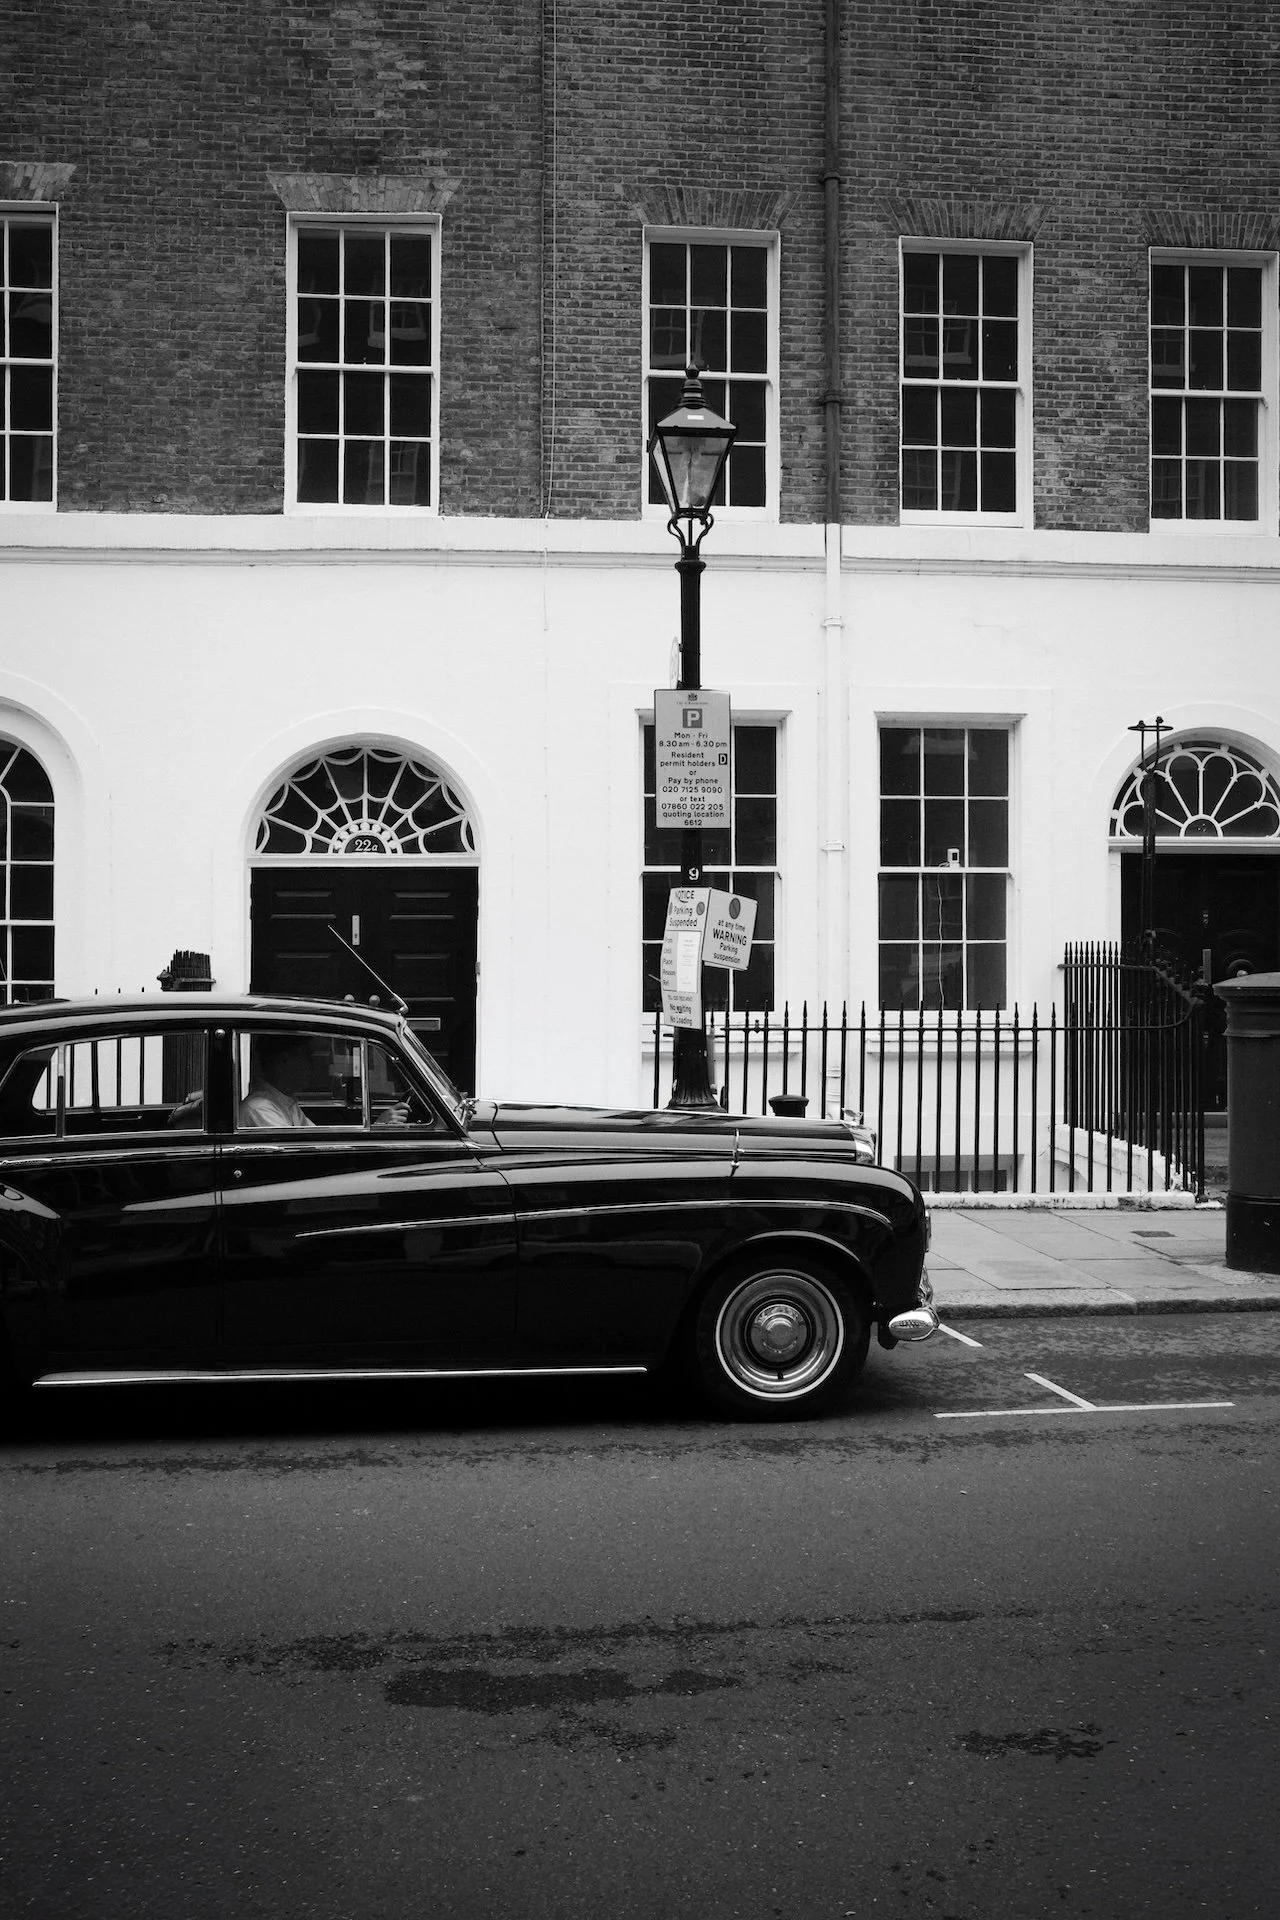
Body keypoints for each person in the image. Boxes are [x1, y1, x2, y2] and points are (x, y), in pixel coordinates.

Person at [239, 1033, 319, 1130]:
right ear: (284, 1061)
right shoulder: (260, 1108)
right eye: (307, 1057)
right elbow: (294, 1144)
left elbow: (315, 1135)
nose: (312, 1066)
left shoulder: (286, 1102)